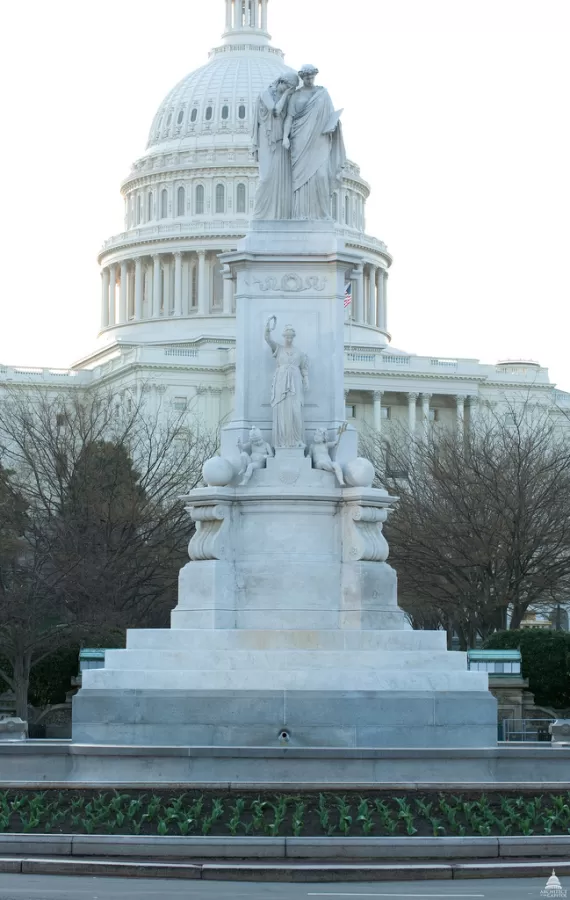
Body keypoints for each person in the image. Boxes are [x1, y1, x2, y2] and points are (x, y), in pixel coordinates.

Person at [283, 64, 346, 220]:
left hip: (319, 140)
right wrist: (285, 137)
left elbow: (331, 115)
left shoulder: (323, 94)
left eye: (312, 77)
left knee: (321, 176)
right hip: (299, 140)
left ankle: (322, 214)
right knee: (300, 179)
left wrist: (335, 125)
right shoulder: (296, 96)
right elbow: (289, 117)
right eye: (306, 77)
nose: (309, 80)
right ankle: (300, 214)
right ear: (302, 78)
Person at [252, 73, 299, 219]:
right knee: (265, 177)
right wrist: (286, 94)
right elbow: (275, 111)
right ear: (280, 82)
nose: (289, 90)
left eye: (291, 89)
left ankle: (279, 215)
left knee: (280, 177)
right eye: (288, 87)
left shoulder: (287, 98)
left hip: (279, 140)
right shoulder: (265, 93)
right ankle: (259, 215)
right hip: (266, 138)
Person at [265, 317, 309, 449]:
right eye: (287, 337)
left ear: (293, 337)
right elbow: (268, 339)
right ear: (284, 337)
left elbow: (304, 368)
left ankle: (296, 440)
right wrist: (267, 329)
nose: (289, 339)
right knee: (282, 412)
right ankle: (282, 441)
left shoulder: (299, 353)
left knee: (296, 411)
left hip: (296, 382)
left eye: (291, 337)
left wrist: (306, 379)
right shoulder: (278, 349)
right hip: (281, 382)